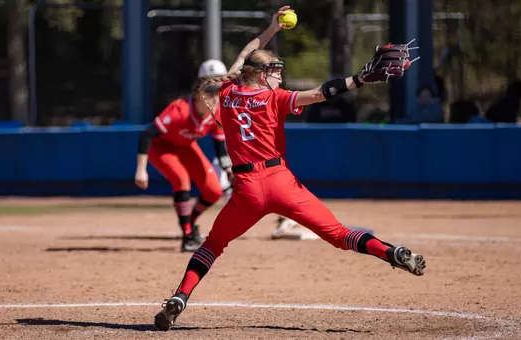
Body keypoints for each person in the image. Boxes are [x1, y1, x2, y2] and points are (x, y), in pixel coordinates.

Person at [153, 6, 426, 331]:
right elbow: (321, 92)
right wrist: (360, 78)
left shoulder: (226, 92)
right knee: (337, 233)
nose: (280, 75)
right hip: (281, 182)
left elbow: (246, 53)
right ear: (259, 74)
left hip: (247, 190)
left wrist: (271, 29)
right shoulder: (275, 98)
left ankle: (182, 296)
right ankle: (391, 252)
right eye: (275, 71)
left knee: (212, 245)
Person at [134, 59, 235, 251]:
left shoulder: (218, 113)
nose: (214, 96)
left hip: (186, 147)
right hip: (162, 147)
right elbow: (148, 134)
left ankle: (189, 221)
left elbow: (220, 147)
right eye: (209, 91)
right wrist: (141, 169)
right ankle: (188, 236)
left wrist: (229, 170)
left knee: (214, 191)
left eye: (218, 91)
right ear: (198, 91)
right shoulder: (179, 109)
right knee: (181, 180)